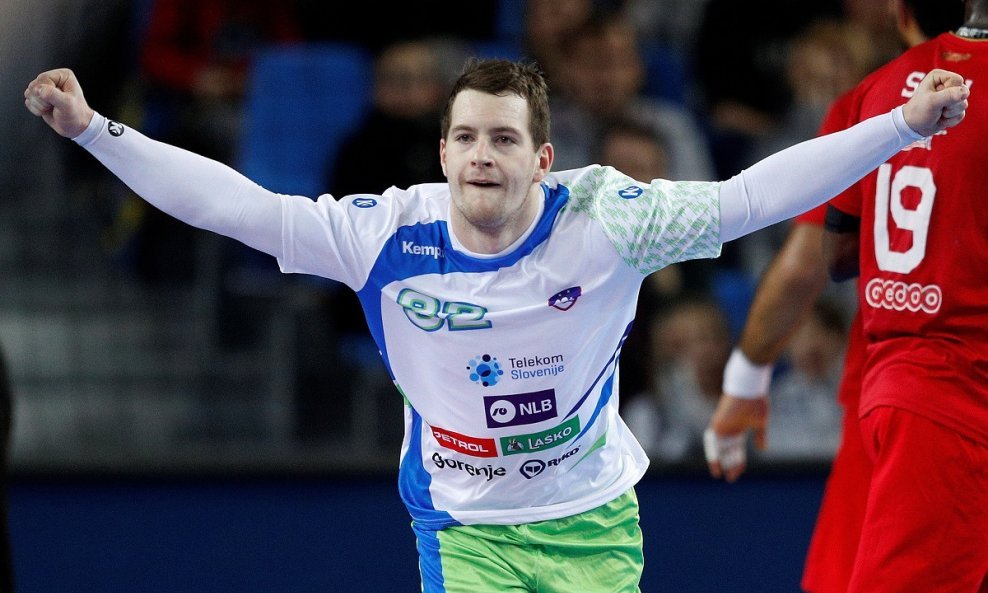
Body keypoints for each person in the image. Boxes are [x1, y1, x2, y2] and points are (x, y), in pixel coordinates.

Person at [24, 54, 967, 591]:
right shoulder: (384, 232)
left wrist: (900, 129)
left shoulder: (609, 219)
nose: (483, 155)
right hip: (464, 524)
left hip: (592, 519)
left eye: (505, 138)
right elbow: (233, 207)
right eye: (467, 137)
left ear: (541, 156)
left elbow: (753, 196)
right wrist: (96, 130)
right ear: (443, 152)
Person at [703, 2, 974, 592]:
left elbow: (817, 260)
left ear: (900, 15)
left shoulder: (872, 97)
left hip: (901, 391)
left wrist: (746, 380)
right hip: (943, 397)